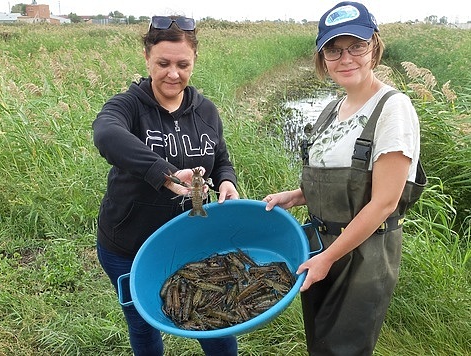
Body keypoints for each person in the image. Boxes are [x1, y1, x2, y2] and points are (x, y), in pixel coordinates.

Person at [263, 2, 426, 355]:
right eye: (334, 50)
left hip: (362, 255)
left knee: (345, 348)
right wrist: (295, 196)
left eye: (357, 46)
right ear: (323, 57)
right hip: (319, 244)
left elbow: (383, 202)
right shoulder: (332, 110)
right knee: (320, 341)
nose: (346, 58)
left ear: (374, 48)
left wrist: (327, 258)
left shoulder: (392, 109)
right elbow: (342, 181)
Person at [92, 15, 239, 356]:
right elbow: (106, 134)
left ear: (194, 61)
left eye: (182, 64)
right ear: (147, 59)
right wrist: (164, 174)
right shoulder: (128, 105)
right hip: (127, 246)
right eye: (163, 63)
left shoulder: (206, 111)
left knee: (213, 321)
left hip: (190, 243)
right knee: (143, 326)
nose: (173, 73)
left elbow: (220, 160)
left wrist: (227, 181)